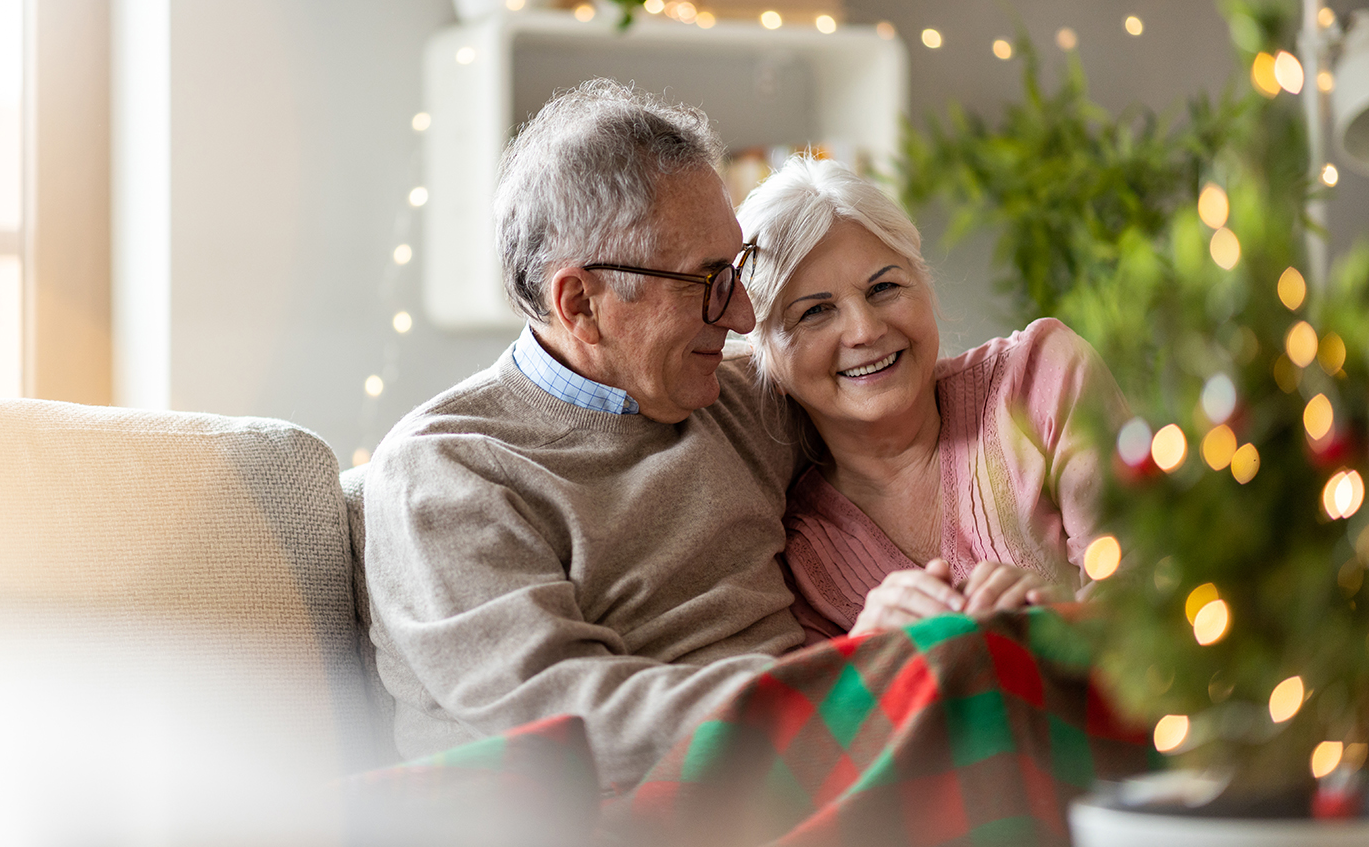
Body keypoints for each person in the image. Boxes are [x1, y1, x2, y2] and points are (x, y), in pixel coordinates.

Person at [362, 79, 807, 793]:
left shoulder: (739, 400)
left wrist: (1044, 367)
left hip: (802, 771)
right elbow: (566, 721)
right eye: (708, 280)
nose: (745, 317)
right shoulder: (449, 471)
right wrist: (830, 696)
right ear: (581, 304)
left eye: (738, 269)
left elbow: (927, 395)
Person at [735, 155, 1125, 646]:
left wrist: (1056, 624)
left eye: (884, 287)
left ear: (924, 284)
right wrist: (867, 652)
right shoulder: (794, 553)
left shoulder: (1040, 377)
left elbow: (1164, 589)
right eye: (815, 312)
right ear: (764, 353)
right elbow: (828, 716)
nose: (865, 329)